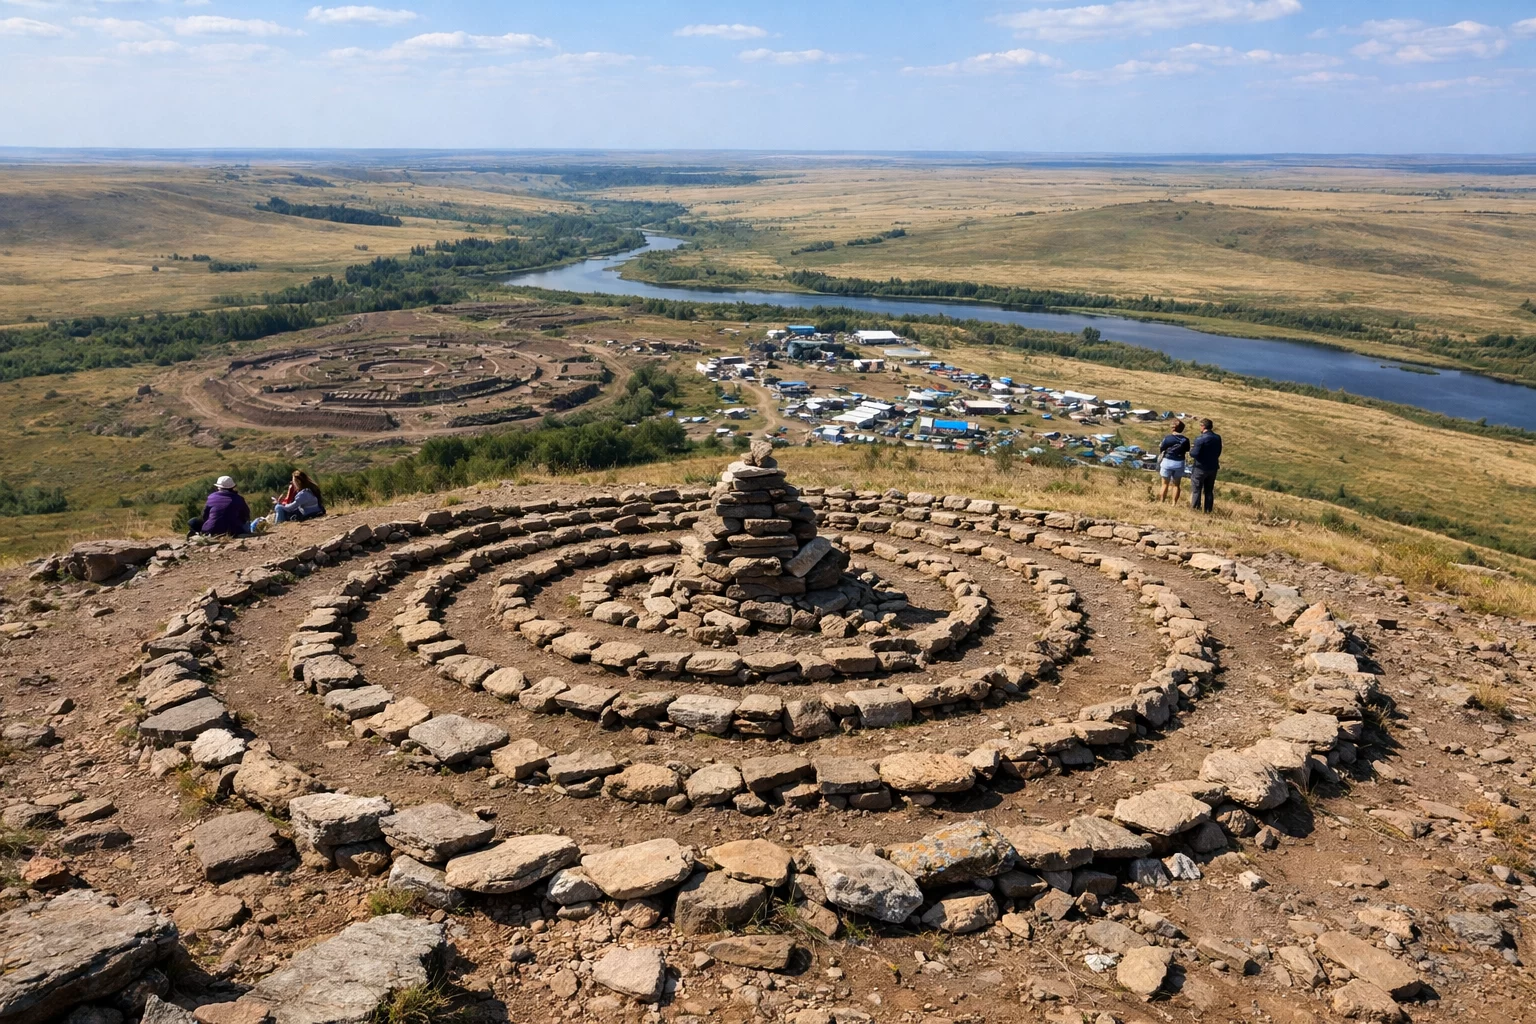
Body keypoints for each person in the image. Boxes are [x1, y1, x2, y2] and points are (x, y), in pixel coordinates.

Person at [187, 476, 252, 537]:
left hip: (210, 531)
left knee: (193, 521)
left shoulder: (211, 497)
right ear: (232, 487)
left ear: (218, 487)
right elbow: (246, 515)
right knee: (248, 523)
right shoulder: (239, 499)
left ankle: (196, 533)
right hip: (234, 531)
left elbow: (205, 515)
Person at [1189, 418, 1223, 514]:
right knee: (1209, 490)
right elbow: (1218, 451)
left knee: (1196, 489)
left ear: (1203, 426)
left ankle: (1195, 509)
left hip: (1200, 467)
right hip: (1213, 467)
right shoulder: (1217, 437)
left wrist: (1191, 450)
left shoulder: (1200, 439)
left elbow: (1194, 454)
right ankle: (1208, 510)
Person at [1156, 420, 1190, 504]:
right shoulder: (1186, 440)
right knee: (1176, 485)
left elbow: (1162, 448)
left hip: (1167, 461)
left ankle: (1161, 501)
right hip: (1179, 462)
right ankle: (1174, 503)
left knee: (1164, 484)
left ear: (1173, 429)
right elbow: (1187, 449)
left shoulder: (1168, 438)